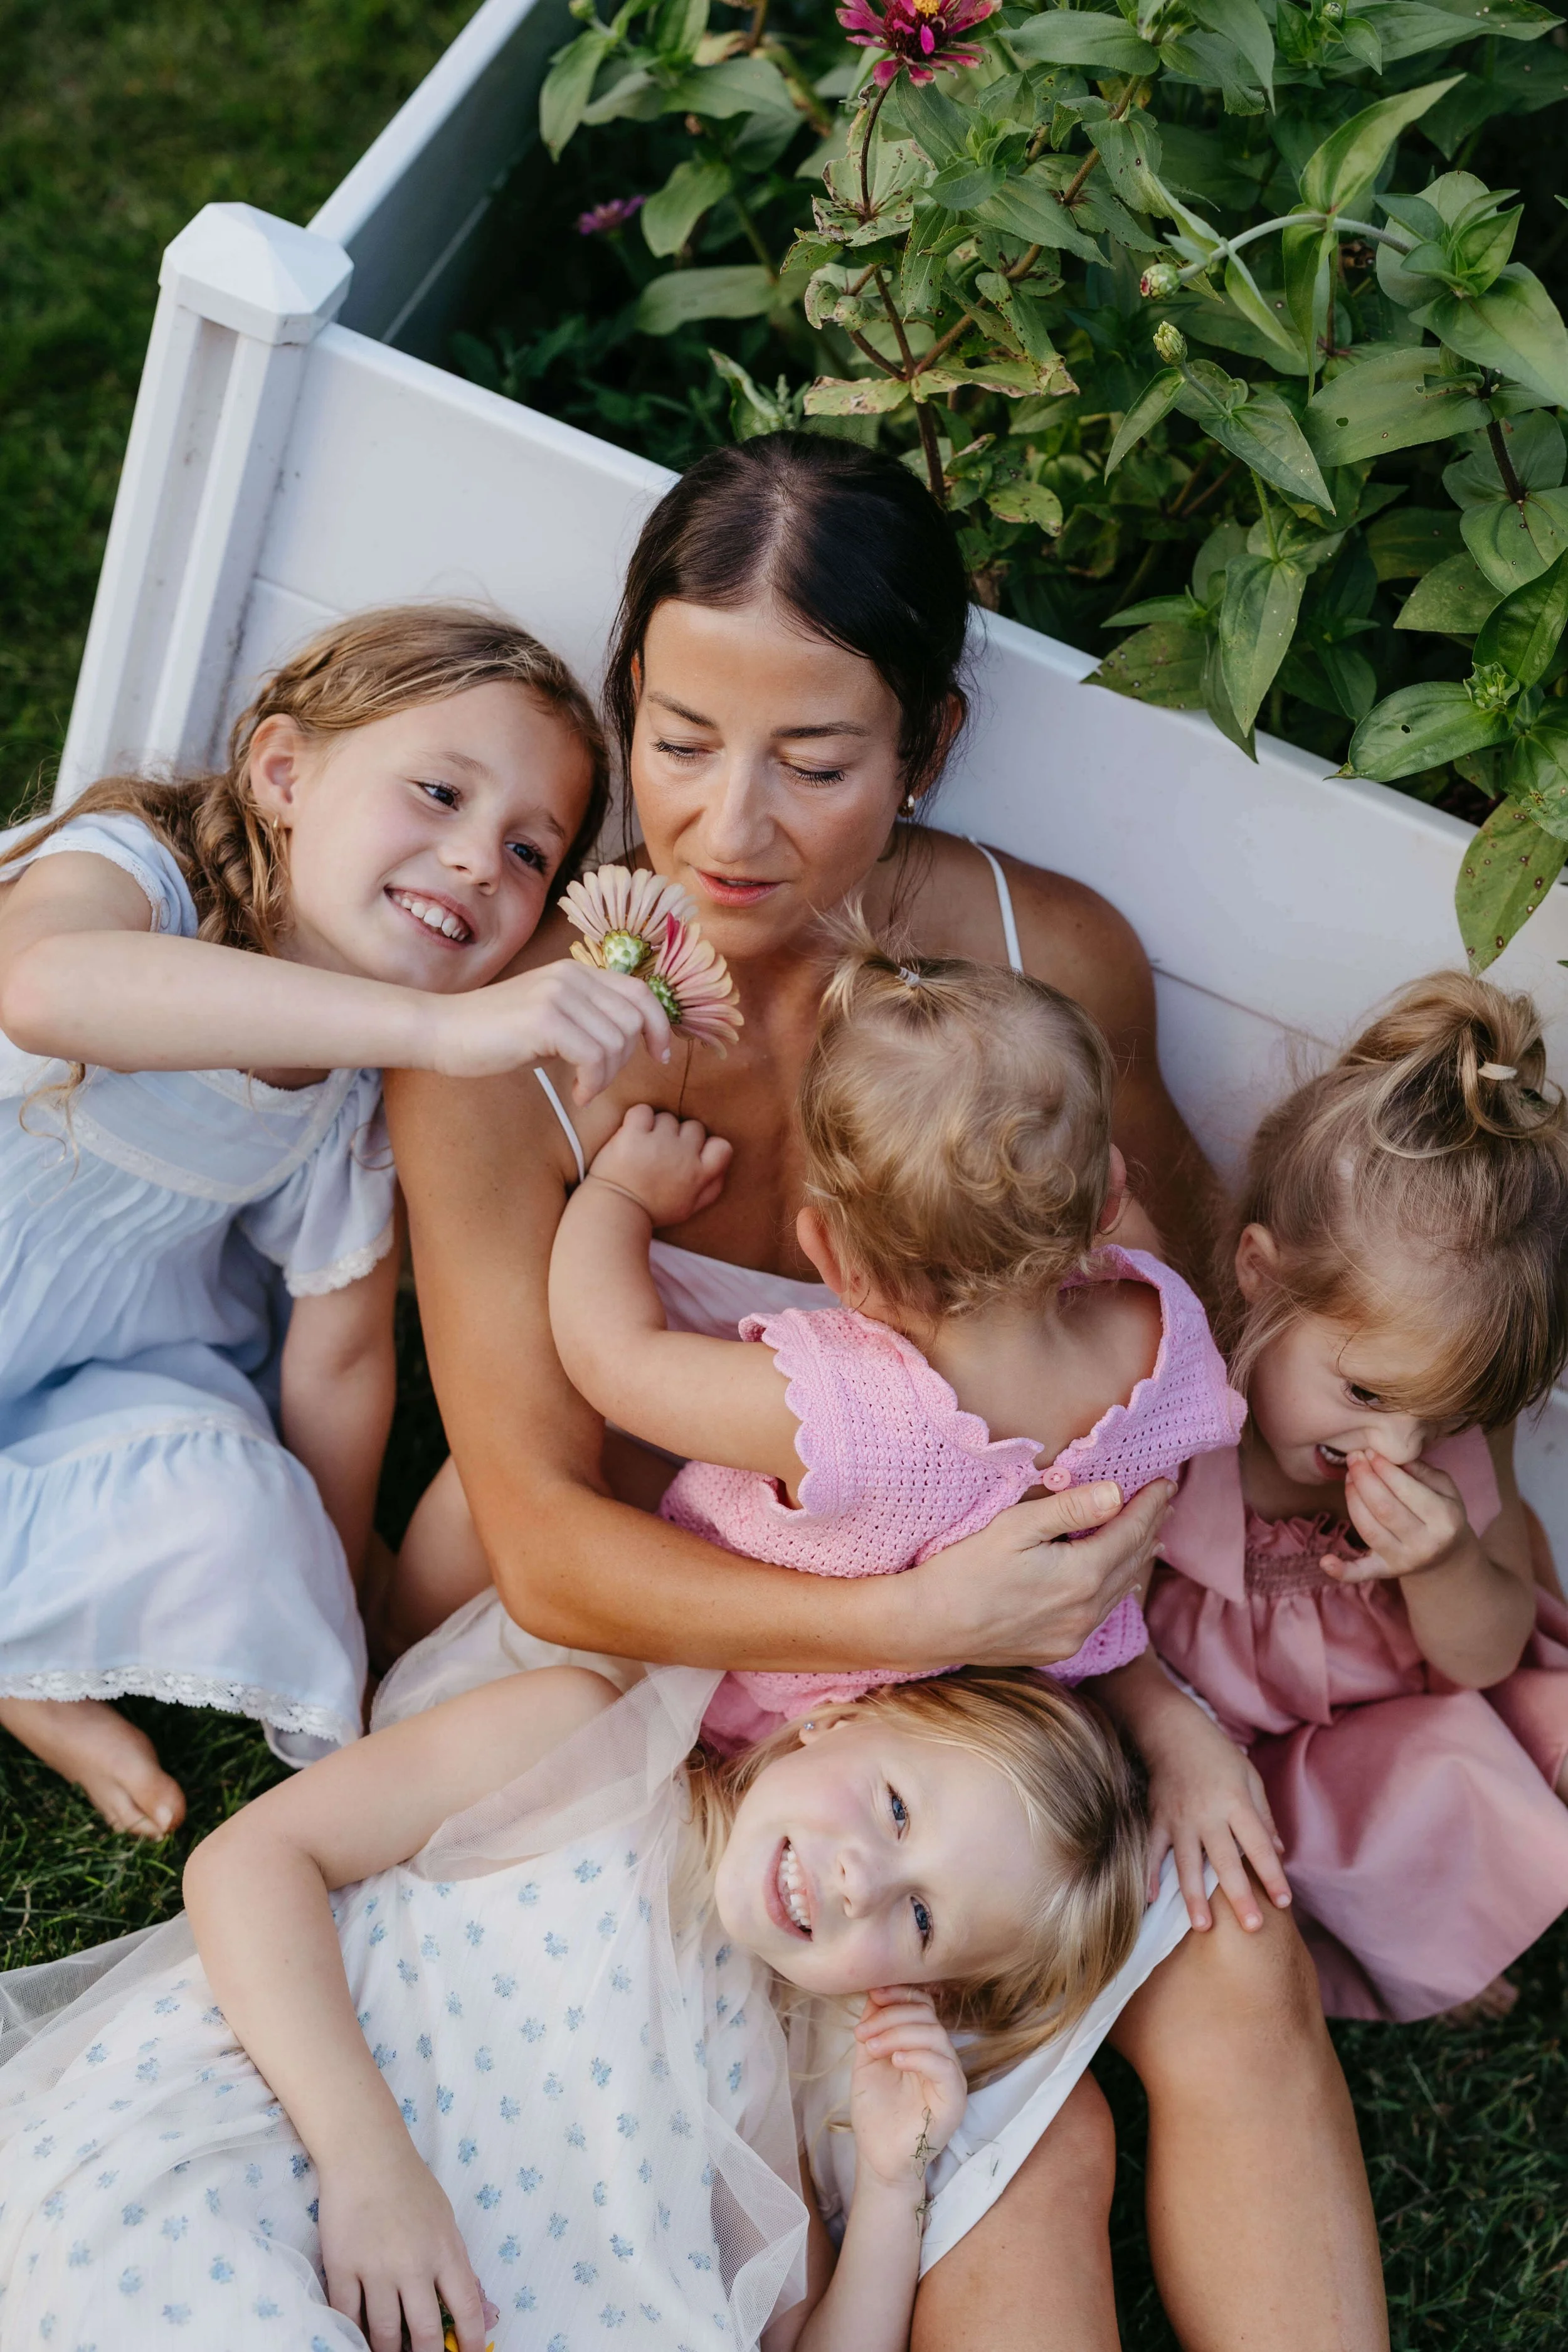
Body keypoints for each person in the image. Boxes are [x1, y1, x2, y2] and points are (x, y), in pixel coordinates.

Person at [381, 435, 1387, 2349]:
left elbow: (1123, 1377)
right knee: (1030, 2156)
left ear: (924, 742)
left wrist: (1156, 1698)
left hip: (1005, 1705)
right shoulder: (503, 1041)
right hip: (661, 1686)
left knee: (1234, 1959)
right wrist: (910, 1614)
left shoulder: (1041, 963)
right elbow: (540, 1539)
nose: (725, 824)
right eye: (676, 737)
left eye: (814, 761)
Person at [0, 605, 671, 1838]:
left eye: (532, 854)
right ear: (282, 772)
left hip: (69, 1380)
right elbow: (41, 990)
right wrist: (445, 1031)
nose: (479, 860)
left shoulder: (352, 1102)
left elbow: (344, 1352)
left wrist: (336, 1580)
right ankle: (28, 1667)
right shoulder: (138, 870)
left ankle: (23, 1649)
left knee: (236, 1519)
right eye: (437, 792)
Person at [0, 1658, 1147, 2352]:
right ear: (842, 1718)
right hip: (281, 2148)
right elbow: (250, 1865)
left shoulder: (759, 2087)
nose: (863, 1880)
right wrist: (371, 2168)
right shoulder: (582, 1745)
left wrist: (894, 2187)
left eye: (923, 1919)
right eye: (897, 1808)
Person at [547, 927, 1244, 1752]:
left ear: (835, 1262)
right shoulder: (1159, 1336)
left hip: (799, 1712)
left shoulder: (830, 1410)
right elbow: (1135, 1239)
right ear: (1108, 1199)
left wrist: (620, 1193)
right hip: (1014, 1710)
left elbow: (611, 1357)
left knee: (566, 1475)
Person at [1143, 972, 1568, 2023]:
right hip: (1192, 1735)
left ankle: (1408, 1911)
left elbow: (1481, 1656)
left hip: (1366, 1738)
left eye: (1440, 1417)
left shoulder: (1445, 1442)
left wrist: (1445, 1562)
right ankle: (1362, 1919)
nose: (1396, 1447)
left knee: (1455, 1773)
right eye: (1369, 1393)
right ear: (1262, 1276)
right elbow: (1091, 1625)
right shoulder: (1169, 1411)